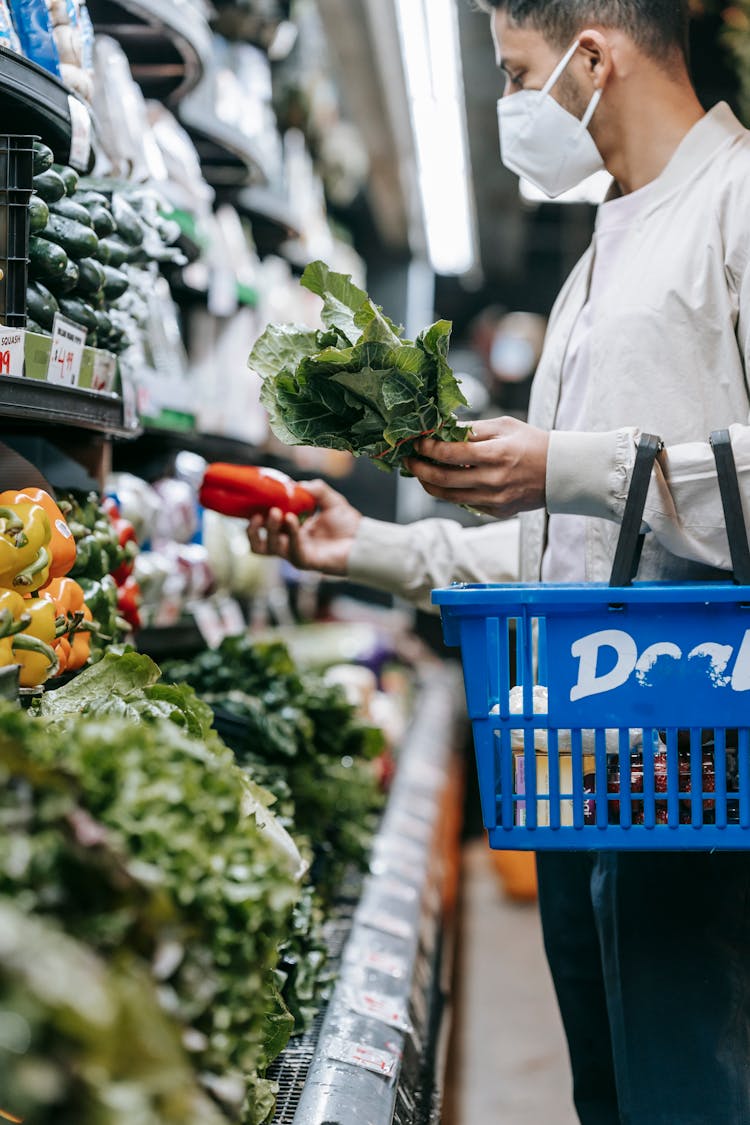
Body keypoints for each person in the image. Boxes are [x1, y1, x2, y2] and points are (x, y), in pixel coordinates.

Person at [250, 2, 750, 1122]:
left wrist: (564, 464)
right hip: (603, 788)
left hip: (719, 791)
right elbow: (569, 553)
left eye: (515, 72)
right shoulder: (598, 263)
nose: (512, 105)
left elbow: (591, 486)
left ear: (593, 55)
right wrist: (365, 545)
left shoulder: (738, 204)